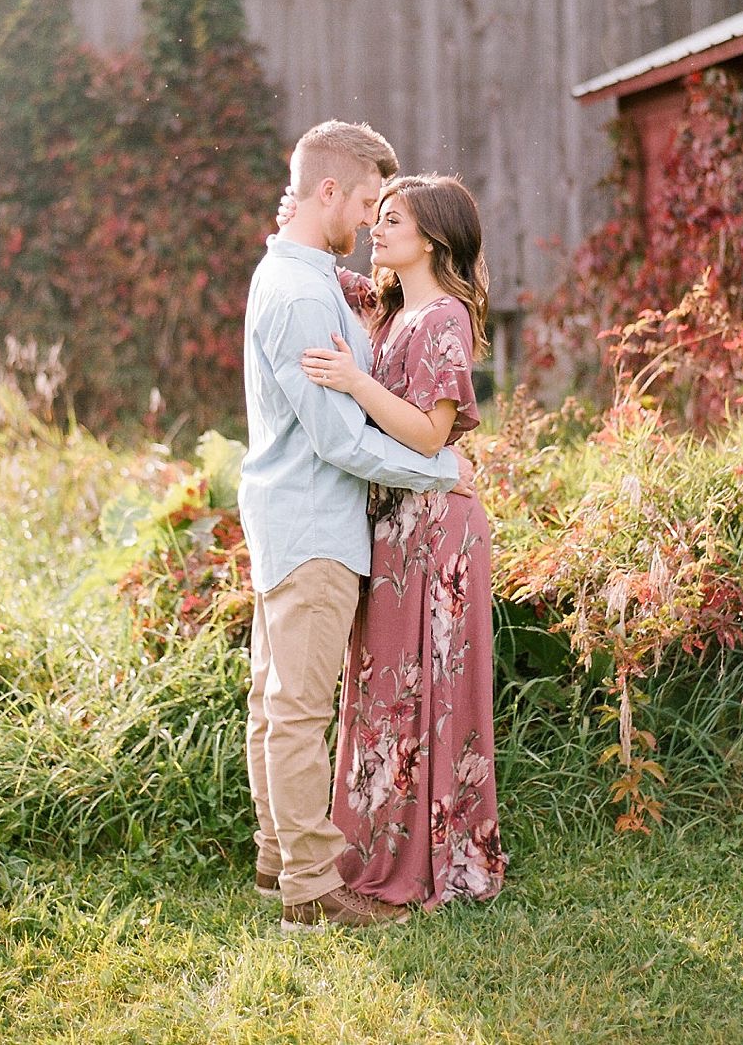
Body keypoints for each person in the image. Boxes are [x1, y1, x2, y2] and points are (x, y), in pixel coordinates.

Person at [238, 121, 473, 934]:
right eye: (370, 199)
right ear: (329, 191)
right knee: (298, 709)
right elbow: (340, 439)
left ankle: (278, 859)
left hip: (282, 516)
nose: (374, 220)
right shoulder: (303, 292)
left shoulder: (297, 276)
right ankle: (309, 884)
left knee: (275, 704)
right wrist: (445, 469)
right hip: (312, 521)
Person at [299, 173, 507, 910]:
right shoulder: (388, 310)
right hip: (392, 527)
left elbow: (428, 434)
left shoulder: (443, 316)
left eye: (392, 219)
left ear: (432, 237)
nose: (377, 228)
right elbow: (323, 264)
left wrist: (356, 383)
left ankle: (438, 857)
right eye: (376, 215)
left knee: (432, 690)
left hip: (438, 528)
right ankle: (375, 848)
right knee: (386, 687)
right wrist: (301, 217)